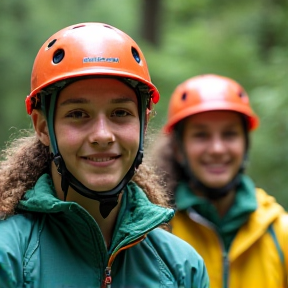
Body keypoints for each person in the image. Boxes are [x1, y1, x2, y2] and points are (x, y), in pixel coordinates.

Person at [0, 23, 209, 288]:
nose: (102, 135)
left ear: (143, 124)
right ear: (43, 127)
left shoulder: (182, 268)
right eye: (77, 114)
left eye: (120, 113)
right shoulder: (9, 257)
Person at [153, 74, 288, 288]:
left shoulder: (280, 233)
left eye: (229, 134)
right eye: (201, 135)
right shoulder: (156, 231)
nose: (217, 149)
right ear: (178, 149)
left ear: (245, 144)